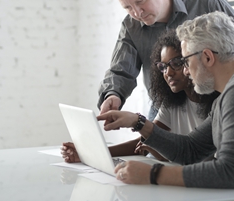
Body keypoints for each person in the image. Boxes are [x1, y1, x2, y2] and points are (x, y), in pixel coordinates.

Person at [97, 11, 234, 201]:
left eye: (186, 61)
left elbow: (231, 173)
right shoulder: (233, 90)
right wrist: (138, 122)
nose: (185, 71)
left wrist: (152, 173)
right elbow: (191, 149)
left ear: (208, 57)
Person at [98, 0, 234, 119]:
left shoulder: (206, 2)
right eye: (128, 7)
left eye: (140, 1)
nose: (137, 13)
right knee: (145, 143)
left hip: (213, 103)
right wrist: (113, 94)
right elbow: (121, 69)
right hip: (165, 107)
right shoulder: (131, 26)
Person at [61, 30, 219, 162]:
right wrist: (89, 153)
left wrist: (142, 129)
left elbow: (196, 154)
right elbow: (148, 139)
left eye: (176, 63)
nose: (168, 73)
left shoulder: (220, 104)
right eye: (163, 67)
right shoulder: (172, 101)